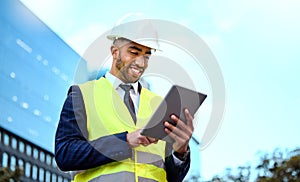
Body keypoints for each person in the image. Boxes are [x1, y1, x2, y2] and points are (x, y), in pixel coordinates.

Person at [55, 19, 195, 182]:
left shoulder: (160, 104)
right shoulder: (82, 95)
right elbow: (65, 154)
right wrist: (125, 141)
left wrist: (181, 151)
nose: (141, 63)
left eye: (147, 56)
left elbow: (172, 176)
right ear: (115, 52)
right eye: (134, 52)